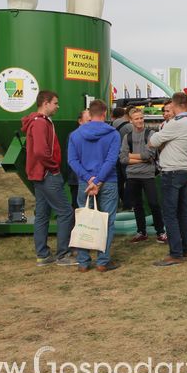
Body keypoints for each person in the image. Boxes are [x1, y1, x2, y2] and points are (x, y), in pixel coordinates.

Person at [20, 91, 76, 266]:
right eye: (55, 103)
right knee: (65, 212)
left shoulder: (38, 122)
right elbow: (40, 151)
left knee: (42, 215)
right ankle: (63, 255)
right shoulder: (40, 124)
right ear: (45, 103)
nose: (57, 106)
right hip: (47, 174)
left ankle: (43, 255)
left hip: (39, 174)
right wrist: (53, 168)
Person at [68, 99, 122, 272]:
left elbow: (72, 160)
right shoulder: (113, 133)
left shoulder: (75, 135)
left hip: (85, 182)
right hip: (108, 181)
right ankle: (102, 261)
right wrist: (98, 180)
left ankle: (83, 262)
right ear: (104, 113)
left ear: (89, 115)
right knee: (107, 221)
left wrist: (89, 179)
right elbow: (111, 160)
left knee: (83, 219)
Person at [149, 92, 187, 266]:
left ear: (175, 105)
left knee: (170, 214)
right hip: (184, 170)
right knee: (183, 211)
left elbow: (153, 141)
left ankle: (176, 253)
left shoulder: (174, 124)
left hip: (171, 171)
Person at [120, 107, 167, 244]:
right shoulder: (127, 137)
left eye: (141, 118)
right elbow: (122, 158)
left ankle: (161, 232)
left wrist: (131, 156)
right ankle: (141, 232)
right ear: (131, 120)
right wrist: (141, 159)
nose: (140, 121)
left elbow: (149, 155)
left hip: (148, 174)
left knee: (154, 203)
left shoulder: (150, 134)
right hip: (132, 175)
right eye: (136, 119)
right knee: (137, 205)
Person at [67, 109, 91, 209]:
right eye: (88, 120)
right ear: (80, 121)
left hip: (93, 180)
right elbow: (72, 159)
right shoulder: (73, 136)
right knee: (79, 210)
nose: (91, 123)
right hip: (77, 180)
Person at [112, 107, 132, 209]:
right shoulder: (129, 126)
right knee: (129, 181)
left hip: (114, 157)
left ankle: (119, 202)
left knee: (118, 182)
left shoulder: (110, 125)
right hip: (127, 157)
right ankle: (128, 204)